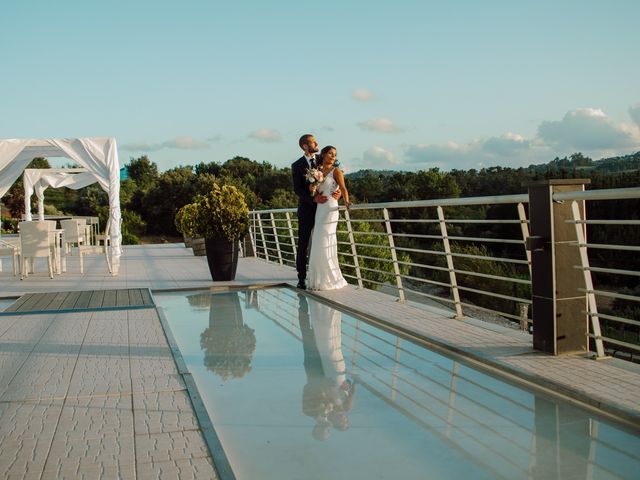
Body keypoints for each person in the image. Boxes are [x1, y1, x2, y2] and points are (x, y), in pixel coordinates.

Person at [291, 134, 340, 290]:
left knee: (322, 242)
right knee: (303, 244)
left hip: (324, 210)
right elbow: (297, 189)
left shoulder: (322, 159)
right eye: (313, 142)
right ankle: (301, 278)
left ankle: (323, 275)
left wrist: (337, 191)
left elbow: (336, 175)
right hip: (307, 209)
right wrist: (313, 199)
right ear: (305, 146)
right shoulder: (296, 165)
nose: (317, 143)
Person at [307, 145, 351, 291]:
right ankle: (318, 278)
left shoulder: (336, 171)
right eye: (330, 154)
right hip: (320, 208)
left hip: (331, 207)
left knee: (326, 238)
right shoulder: (316, 172)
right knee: (318, 239)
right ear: (324, 154)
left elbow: (343, 188)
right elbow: (312, 192)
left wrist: (347, 201)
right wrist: (313, 191)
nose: (333, 156)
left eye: (335, 155)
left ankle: (330, 278)